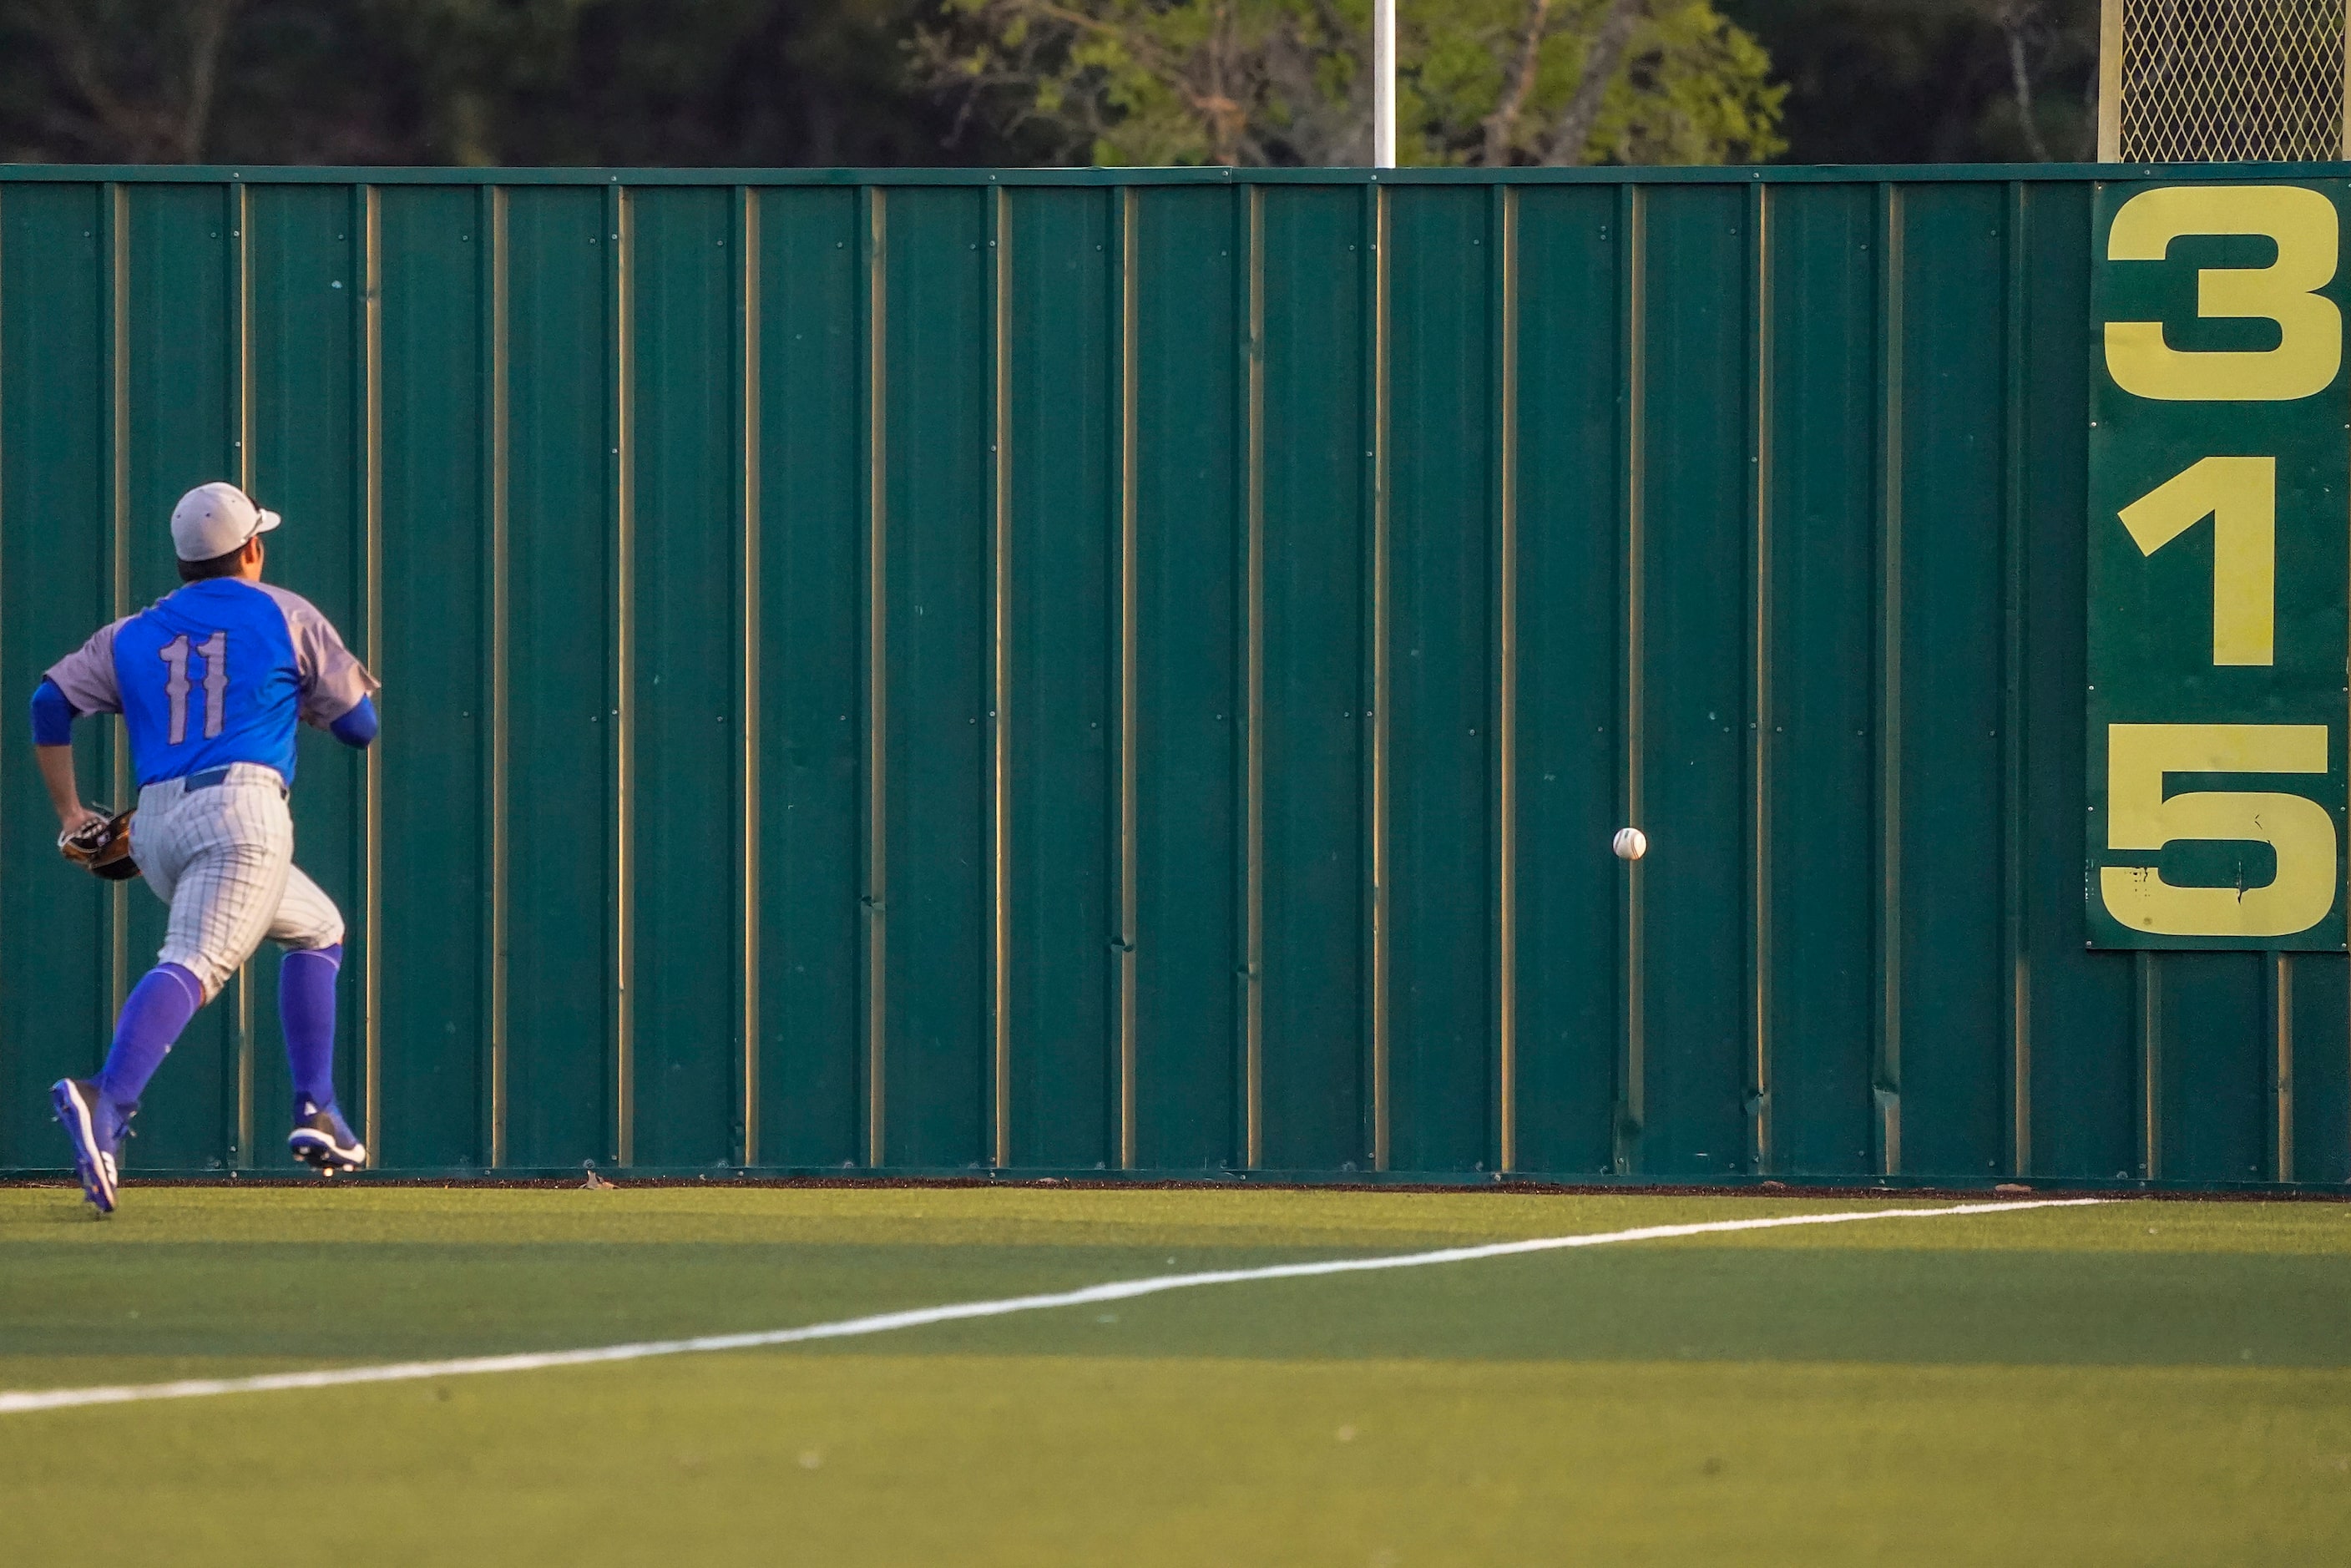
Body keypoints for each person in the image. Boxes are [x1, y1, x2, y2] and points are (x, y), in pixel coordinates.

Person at [33, 482, 381, 1214]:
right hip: (244, 810)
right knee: (193, 961)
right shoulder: (284, 611)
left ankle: (317, 1110)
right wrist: (304, 702)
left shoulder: (133, 630)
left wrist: (70, 813)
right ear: (252, 548)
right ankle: (106, 1100)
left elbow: (49, 704)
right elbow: (361, 726)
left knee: (318, 928)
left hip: (159, 824)